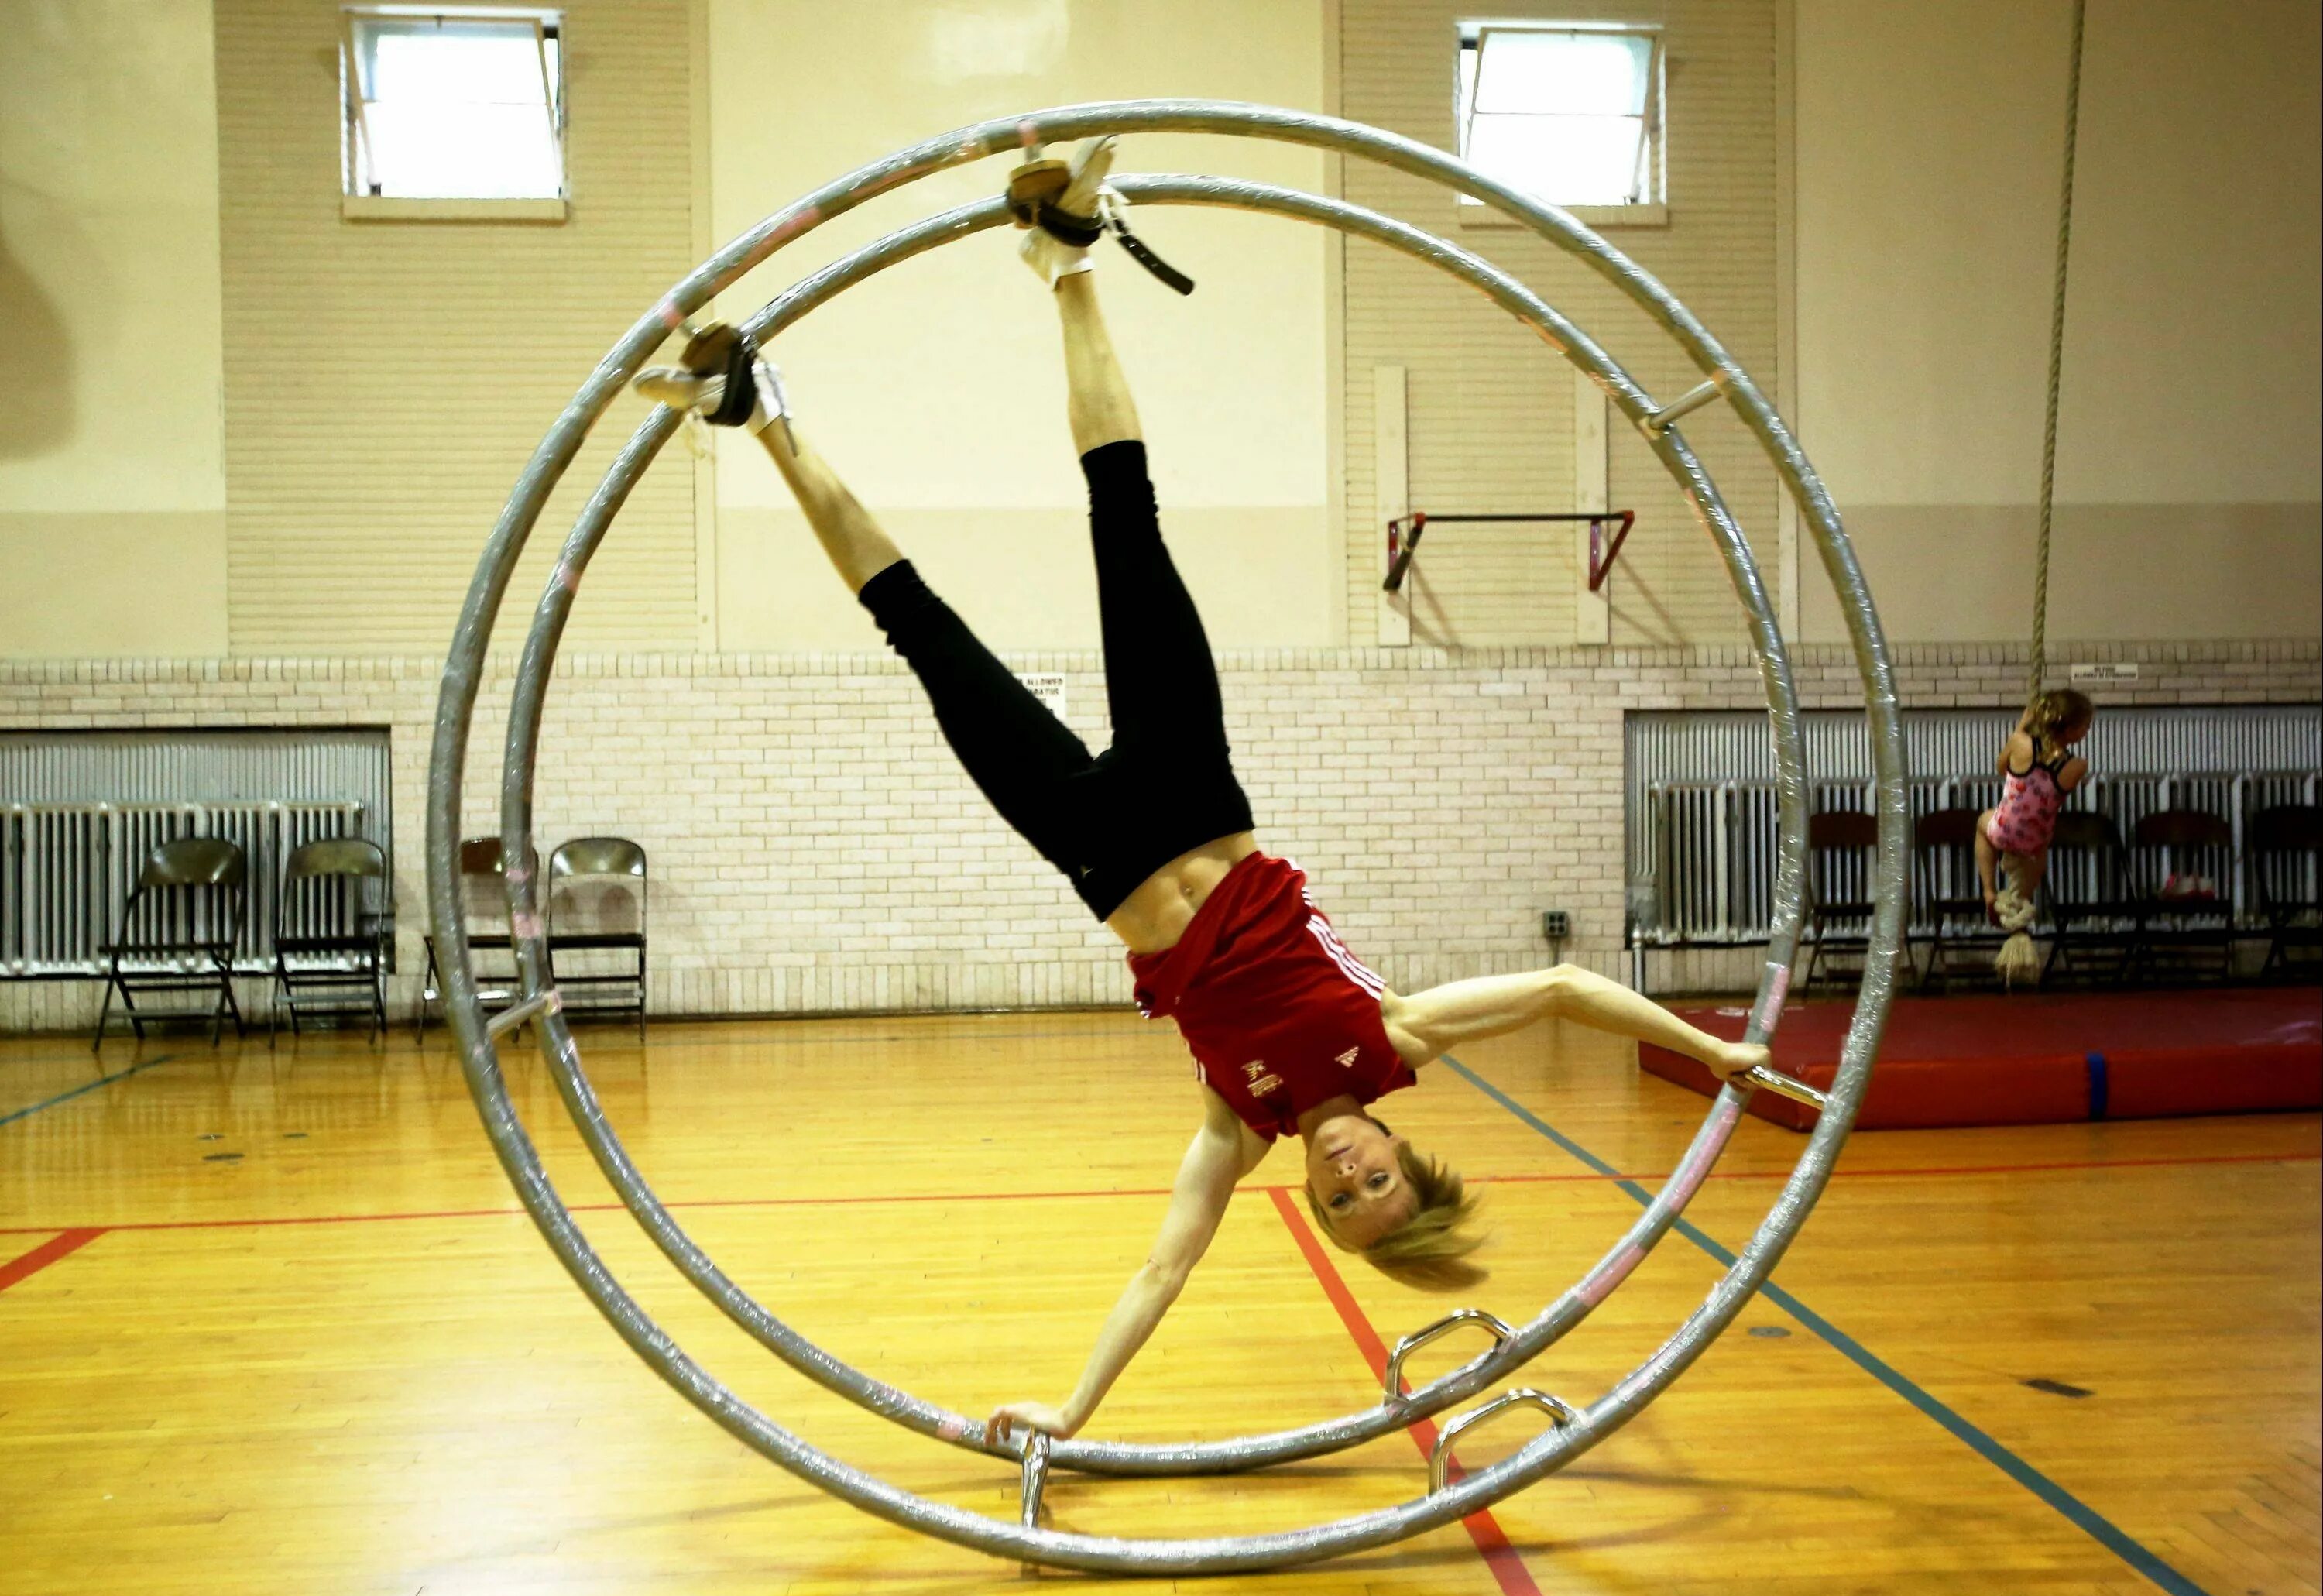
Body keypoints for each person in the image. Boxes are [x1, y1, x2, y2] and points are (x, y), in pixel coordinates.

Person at [637, 138, 1769, 1442]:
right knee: (1127, 512)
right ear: (1407, 1150)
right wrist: (1716, 1046)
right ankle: (1065, 262)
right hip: (1195, 788)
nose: (1351, 1172)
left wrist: (1072, 1406)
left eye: (1343, 1198)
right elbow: (1570, 990)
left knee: (920, 632)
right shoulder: (1393, 1038)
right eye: (1380, 1178)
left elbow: (1165, 1263)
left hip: (1098, 857)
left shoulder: (1243, 1121)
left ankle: (764, 413)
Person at [1975, 688, 2095, 920]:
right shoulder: (2077, 765)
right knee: (2038, 857)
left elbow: (2002, 768)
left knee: (1982, 822)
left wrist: (2021, 728)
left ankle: (1989, 890)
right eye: (2086, 726)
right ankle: (2021, 899)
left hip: (2004, 830)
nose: (2088, 731)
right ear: (2070, 730)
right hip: (2035, 842)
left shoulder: (2020, 743)